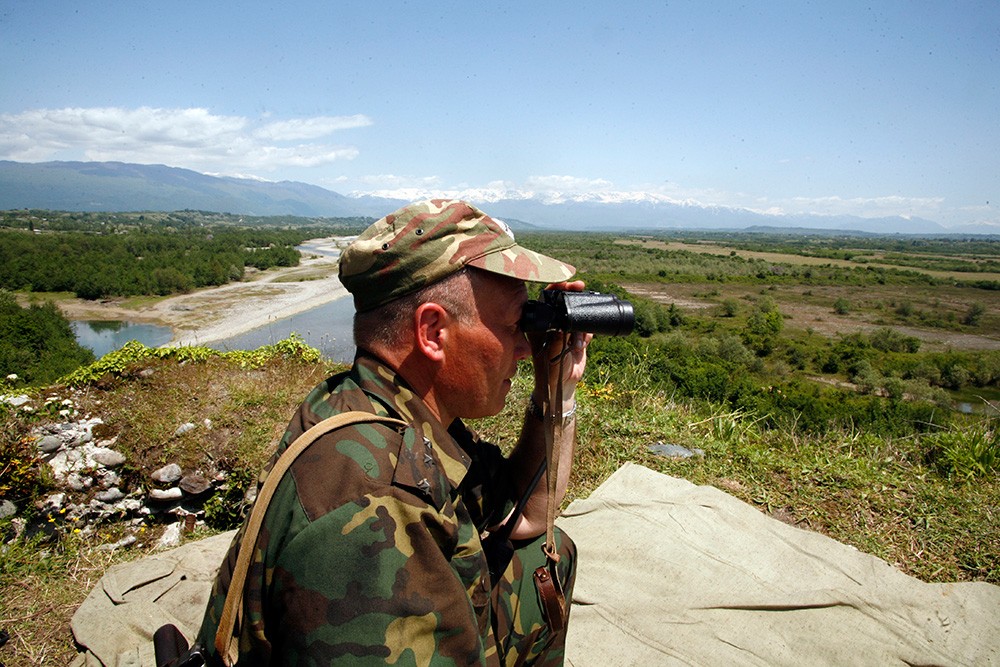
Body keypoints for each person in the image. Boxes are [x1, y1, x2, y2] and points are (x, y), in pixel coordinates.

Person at [196, 198, 590, 665]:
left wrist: (556, 393)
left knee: (550, 554)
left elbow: (526, 517)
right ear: (433, 333)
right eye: (512, 326)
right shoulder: (374, 509)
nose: (526, 348)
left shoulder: (369, 403)